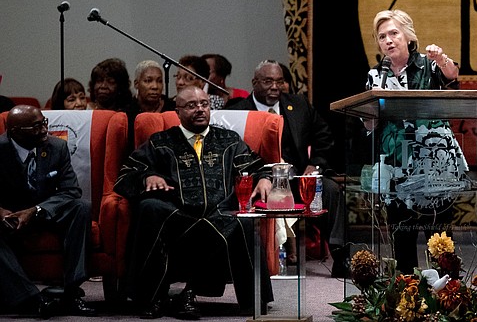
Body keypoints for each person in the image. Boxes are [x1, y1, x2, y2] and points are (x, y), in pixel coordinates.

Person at [114, 86, 274, 318]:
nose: (200, 109)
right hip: (176, 212)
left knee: (244, 221)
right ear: (177, 111)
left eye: (204, 104)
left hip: (220, 212)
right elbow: (125, 174)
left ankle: (249, 299)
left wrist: (264, 180)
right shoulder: (161, 142)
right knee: (149, 208)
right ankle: (152, 297)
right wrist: (148, 176)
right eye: (191, 105)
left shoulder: (228, 140)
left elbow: (256, 167)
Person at [361, 9, 467, 274]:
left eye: (394, 33)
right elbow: (369, 124)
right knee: (402, 234)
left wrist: (442, 58)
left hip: (435, 162)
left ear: (408, 35)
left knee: (439, 235)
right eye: (382, 36)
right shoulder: (376, 77)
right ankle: (408, 298)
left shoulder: (429, 65)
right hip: (396, 163)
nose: (388, 40)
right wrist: (369, 112)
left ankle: (447, 295)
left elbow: (451, 75)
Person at [225, 60, 349, 277]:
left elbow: (324, 136)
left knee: (330, 190)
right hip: (259, 180)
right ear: (254, 83)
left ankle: (341, 256)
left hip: (297, 179)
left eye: (279, 81)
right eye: (268, 81)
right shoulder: (238, 112)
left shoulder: (298, 104)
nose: (275, 86)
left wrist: (314, 164)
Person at [0, 105, 96, 316]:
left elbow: (71, 190)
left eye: (44, 123)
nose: (45, 130)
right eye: (36, 127)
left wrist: (35, 210)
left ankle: (72, 293)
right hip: (10, 219)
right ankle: (31, 299)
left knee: (81, 208)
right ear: (15, 132)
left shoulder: (56, 147)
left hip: (43, 212)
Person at [125, 61, 176, 147]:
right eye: (148, 81)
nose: (155, 86)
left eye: (159, 81)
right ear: (136, 84)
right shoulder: (127, 113)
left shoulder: (173, 108)